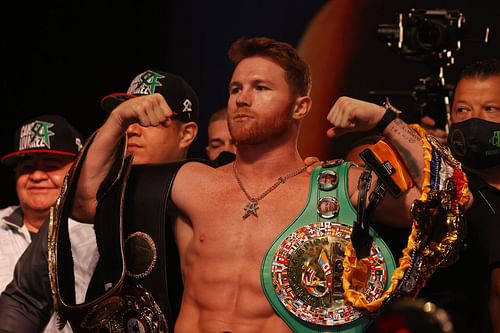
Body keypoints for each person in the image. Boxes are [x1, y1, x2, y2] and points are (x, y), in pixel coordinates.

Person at [61, 37, 469, 332]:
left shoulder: (340, 186)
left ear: (300, 106)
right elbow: (87, 204)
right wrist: (117, 121)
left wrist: (385, 121)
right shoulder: (191, 182)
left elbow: (451, 200)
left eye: (260, 88)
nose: (242, 98)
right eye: (236, 87)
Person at [0, 69, 201, 332]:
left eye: (148, 116)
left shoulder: (208, 202)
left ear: (186, 134)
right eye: (129, 116)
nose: (133, 129)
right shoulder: (79, 206)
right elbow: (25, 299)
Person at [417, 58, 500, 333]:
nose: (473, 120)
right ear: (450, 117)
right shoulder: (441, 189)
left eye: (490, 109)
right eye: (463, 109)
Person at [0, 114, 87, 333]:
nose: (37, 175)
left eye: (50, 165)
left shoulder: (99, 232)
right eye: (27, 167)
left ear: (77, 169)